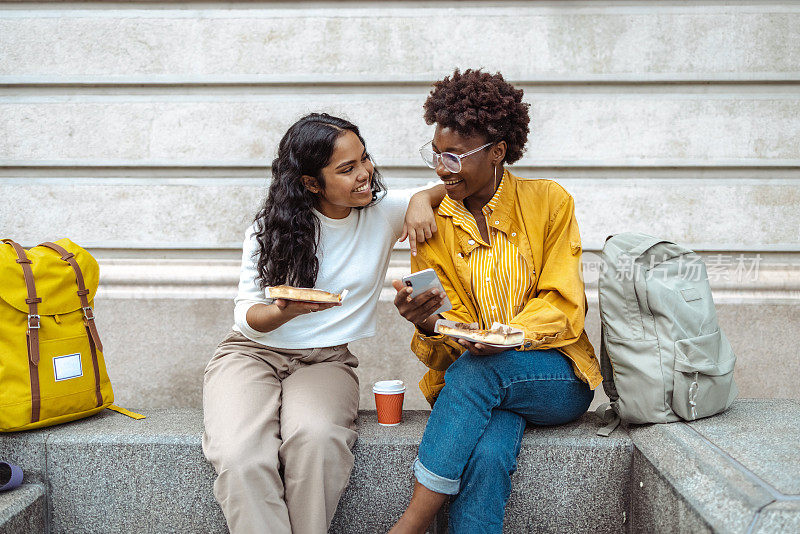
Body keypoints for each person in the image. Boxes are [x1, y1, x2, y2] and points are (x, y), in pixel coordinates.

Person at [202, 113, 445, 534]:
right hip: (251, 352)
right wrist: (285, 311)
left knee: (316, 442)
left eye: (364, 159)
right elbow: (247, 316)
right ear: (311, 183)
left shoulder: (381, 213)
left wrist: (421, 200)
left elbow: (451, 186)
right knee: (242, 455)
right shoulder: (269, 230)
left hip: (326, 361)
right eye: (346, 169)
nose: (365, 174)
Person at [388, 69, 603, 533]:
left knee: (480, 371)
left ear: (498, 152)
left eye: (453, 156)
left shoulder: (549, 202)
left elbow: (564, 306)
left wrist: (506, 336)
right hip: (480, 380)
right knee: (485, 454)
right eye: (435, 155)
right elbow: (451, 330)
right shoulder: (433, 222)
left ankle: (410, 524)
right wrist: (430, 325)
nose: (441, 168)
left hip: (557, 376)